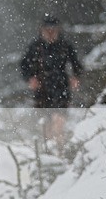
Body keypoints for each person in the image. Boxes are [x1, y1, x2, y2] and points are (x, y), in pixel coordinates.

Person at [20, 14, 83, 149]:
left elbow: (76, 64)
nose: (50, 33)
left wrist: (75, 76)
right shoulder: (35, 47)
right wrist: (30, 79)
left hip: (61, 87)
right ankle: (48, 149)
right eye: (47, 30)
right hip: (42, 89)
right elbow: (24, 65)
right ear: (41, 30)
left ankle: (59, 148)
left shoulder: (65, 45)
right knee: (45, 123)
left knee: (59, 121)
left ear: (58, 30)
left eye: (53, 30)